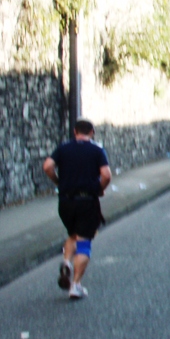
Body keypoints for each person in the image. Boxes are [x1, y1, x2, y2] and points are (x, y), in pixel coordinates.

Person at [42, 119, 112, 300]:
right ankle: (76, 285)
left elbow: (47, 166)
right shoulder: (97, 150)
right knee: (83, 242)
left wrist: (58, 182)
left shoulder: (63, 148)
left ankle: (66, 262)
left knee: (72, 234)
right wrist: (100, 189)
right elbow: (106, 175)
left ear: (75, 132)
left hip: (65, 202)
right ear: (92, 132)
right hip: (86, 201)